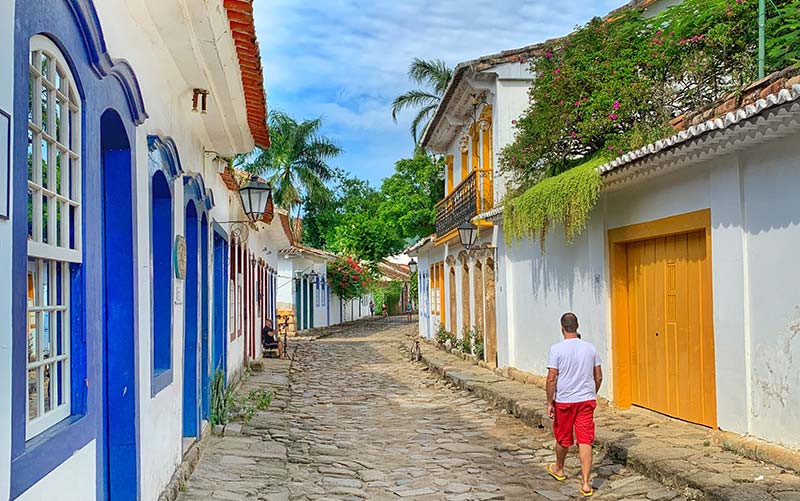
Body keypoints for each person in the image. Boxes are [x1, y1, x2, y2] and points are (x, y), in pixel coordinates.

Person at [545, 312, 603, 497]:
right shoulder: (590, 348)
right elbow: (599, 376)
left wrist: (549, 402)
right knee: (585, 439)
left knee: (563, 437)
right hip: (586, 400)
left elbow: (552, 378)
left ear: (562, 328)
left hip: (565, 401)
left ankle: (559, 469)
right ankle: (586, 483)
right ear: (577, 326)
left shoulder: (556, 349)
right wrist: (592, 393)